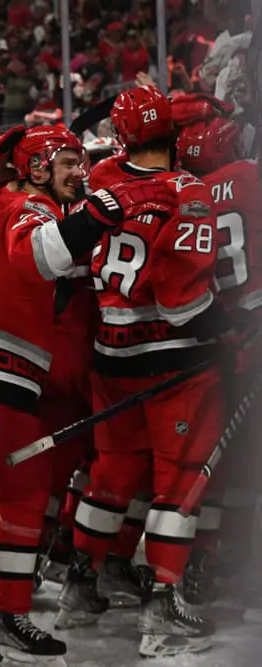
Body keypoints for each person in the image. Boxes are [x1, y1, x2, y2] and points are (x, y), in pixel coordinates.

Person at [0, 124, 175, 663]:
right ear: (37, 168)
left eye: (79, 161)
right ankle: (3, 618)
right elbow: (40, 256)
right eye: (67, 162)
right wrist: (112, 207)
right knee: (20, 495)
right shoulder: (32, 209)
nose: (80, 172)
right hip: (3, 366)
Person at [56, 84, 226, 658]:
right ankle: (162, 604)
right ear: (174, 135)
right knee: (180, 481)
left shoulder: (100, 181)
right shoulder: (190, 190)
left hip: (110, 356)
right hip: (174, 362)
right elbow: (182, 302)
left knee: (110, 478)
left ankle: (79, 587)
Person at [175, 115, 262, 605]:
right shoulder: (250, 175)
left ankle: (212, 555)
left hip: (222, 335)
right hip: (254, 321)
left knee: (227, 459)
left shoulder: (192, 195)